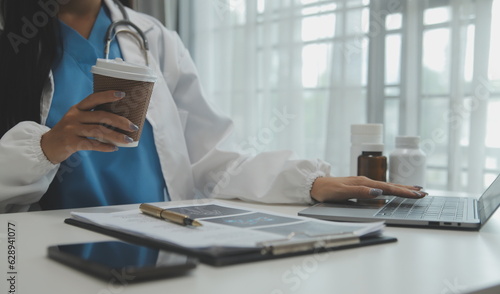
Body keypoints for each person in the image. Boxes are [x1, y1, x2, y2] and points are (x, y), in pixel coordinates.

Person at [0, 0, 426, 213]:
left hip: (157, 241)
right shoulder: (11, 42)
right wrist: (48, 147)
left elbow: (209, 160)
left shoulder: (152, 38)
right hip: (49, 251)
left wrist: (308, 184)